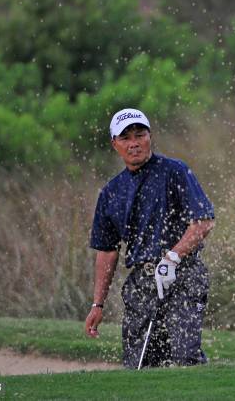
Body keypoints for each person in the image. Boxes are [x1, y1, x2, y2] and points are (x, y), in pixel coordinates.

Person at [84, 108, 215, 368]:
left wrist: (173, 257)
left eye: (139, 135)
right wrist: (97, 303)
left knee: (184, 357)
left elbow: (203, 222)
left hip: (183, 275)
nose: (134, 143)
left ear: (149, 136)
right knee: (140, 363)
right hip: (141, 284)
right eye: (125, 138)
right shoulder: (111, 192)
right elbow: (107, 251)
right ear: (115, 144)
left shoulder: (174, 171)